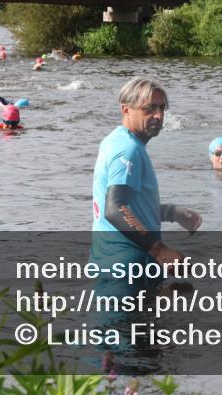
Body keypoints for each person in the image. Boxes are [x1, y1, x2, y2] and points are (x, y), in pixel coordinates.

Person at [90, 78, 202, 293]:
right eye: (148, 109)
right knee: (124, 326)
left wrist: (171, 212)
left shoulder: (116, 140)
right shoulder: (127, 150)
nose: (158, 116)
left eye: (161, 108)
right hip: (125, 266)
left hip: (116, 261)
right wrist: (159, 250)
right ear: (126, 109)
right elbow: (115, 209)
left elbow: (130, 205)